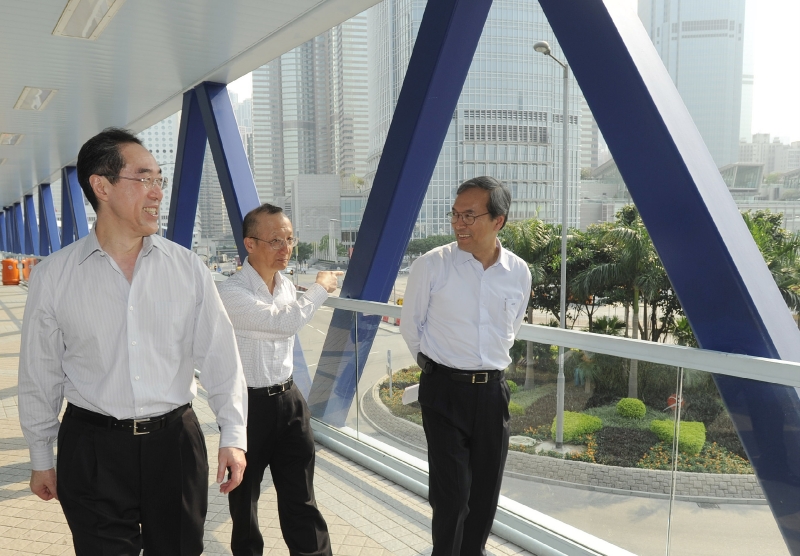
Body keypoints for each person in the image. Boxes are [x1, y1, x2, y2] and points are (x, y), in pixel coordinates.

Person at [18, 127, 248, 556]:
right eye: (144, 178)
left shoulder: (188, 268)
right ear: (101, 186)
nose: (157, 192)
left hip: (175, 445)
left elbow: (220, 355)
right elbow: (39, 372)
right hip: (92, 450)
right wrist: (40, 457)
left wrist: (233, 433)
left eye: (160, 180)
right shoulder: (54, 275)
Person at [400, 176, 532, 556]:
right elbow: (412, 329)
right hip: (443, 391)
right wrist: (436, 371)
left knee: (485, 495)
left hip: (492, 394)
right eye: (455, 215)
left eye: (470, 216)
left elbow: (512, 329)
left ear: (499, 221)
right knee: (452, 497)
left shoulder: (517, 272)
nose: (459, 223)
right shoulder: (432, 266)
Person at [218, 203, 341, 556]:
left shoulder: (286, 286)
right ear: (250, 244)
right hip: (248, 406)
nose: (285, 249)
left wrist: (306, 295)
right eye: (275, 241)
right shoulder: (232, 293)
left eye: (289, 239)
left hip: (289, 401)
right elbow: (282, 323)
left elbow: (286, 317)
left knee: (301, 497)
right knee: (244, 505)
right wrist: (320, 288)